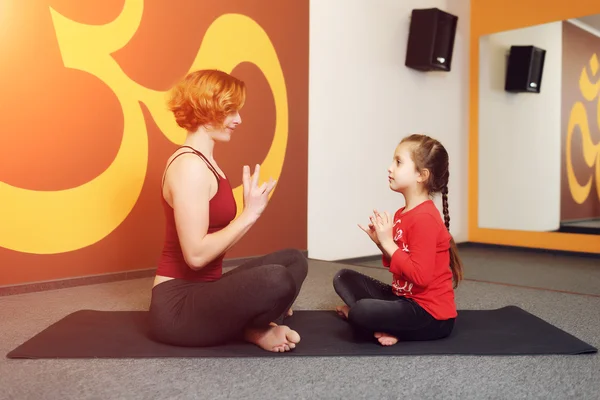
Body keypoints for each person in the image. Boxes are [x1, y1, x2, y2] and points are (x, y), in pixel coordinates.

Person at [148, 69, 308, 353]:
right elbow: (195, 256)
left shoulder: (206, 161)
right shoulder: (190, 167)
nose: (238, 119)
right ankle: (256, 328)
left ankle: (253, 325)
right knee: (276, 279)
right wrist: (249, 215)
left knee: (294, 260)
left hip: (207, 291)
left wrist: (249, 214)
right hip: (178, 308)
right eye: (230, 110)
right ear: (206, 110)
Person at [333, 134, 463, 346]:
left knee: (361, 312)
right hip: (403, 298)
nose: (390, 168)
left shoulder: (425, 218)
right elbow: (401, 264)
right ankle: (387, 322)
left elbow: (420, 277)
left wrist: (389, 244)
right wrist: (381, 243)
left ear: (421, 175)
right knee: (343, 278)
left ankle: (391, 326)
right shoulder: (402, 213)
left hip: (430, 315)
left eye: (398, 162)